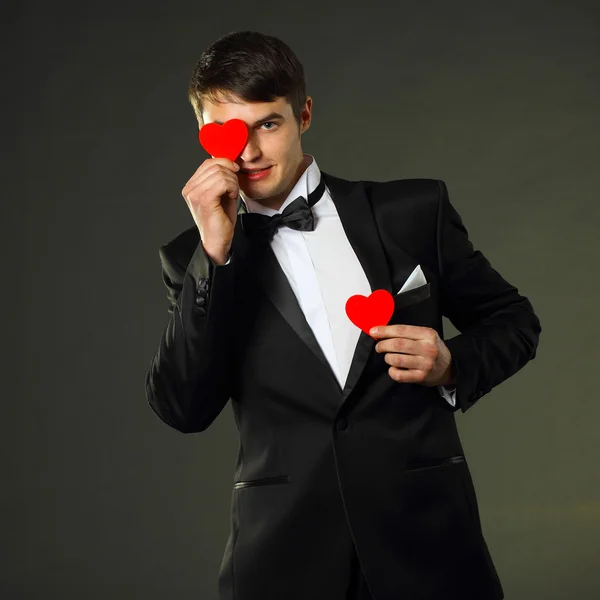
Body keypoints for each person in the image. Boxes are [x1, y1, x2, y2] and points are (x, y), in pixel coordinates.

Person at [145, 30, 541, 600]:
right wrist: (215, 254)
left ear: (304, 113)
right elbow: (182, 407)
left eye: (268, 124)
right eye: (228, 131)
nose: (249, 153)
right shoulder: (192, 259)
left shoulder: (410, 212)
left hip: (428, 545)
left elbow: (516, 320)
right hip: (282, 558)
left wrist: (452, 363)